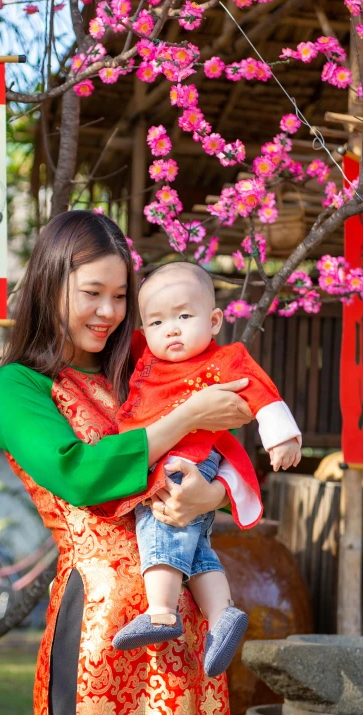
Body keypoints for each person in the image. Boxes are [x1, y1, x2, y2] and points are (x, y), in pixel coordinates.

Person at [0, 210, 254, 715]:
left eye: (119, 296)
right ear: (49, 285)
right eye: (92, 293)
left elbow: (222, 438)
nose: (108, 311)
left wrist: (213, 495)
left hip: (184, 613)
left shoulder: (144, 361)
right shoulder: (19, 385)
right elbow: (79, 473)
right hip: (100, 615)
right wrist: (185, 416)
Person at [106, 262, 301, 677]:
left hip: (185, 458)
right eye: (157, 321)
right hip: (175, 454)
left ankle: (160, 613)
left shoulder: (224, 360)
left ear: (214, 321)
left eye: (183, 316)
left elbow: (260, 390)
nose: (171, 329)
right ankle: (221, 613)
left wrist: (281, 435)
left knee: (159, 523)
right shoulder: (149, 356)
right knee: (195, 548)